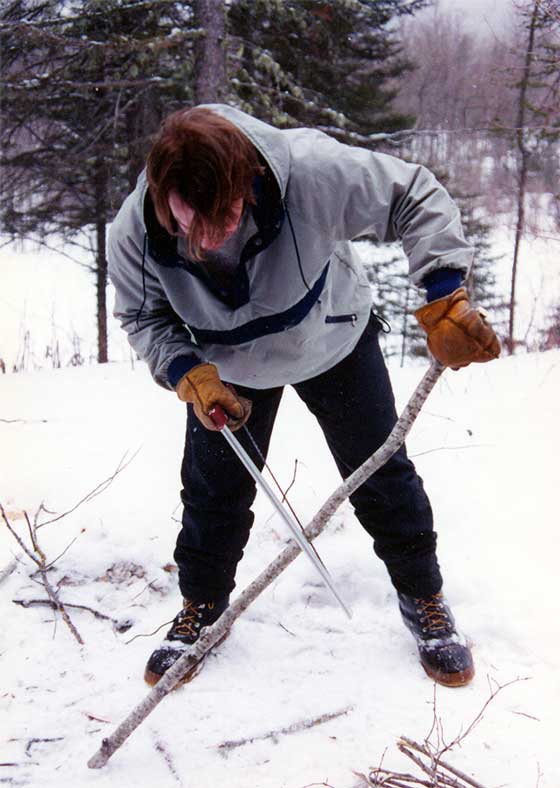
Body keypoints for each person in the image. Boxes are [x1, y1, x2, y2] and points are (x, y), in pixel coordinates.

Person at [108, 105, 500, 689]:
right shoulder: (133, 233)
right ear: (164, 195)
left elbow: (413, 193)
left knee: (379, 472)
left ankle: (424, 596)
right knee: (213, 491)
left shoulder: (312, 172)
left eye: (229, 214)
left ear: (250, 180)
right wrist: (187, 371)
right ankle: (202, 608)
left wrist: (444, 292)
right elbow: (143, 316)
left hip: (332, 335)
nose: (212, 237)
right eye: (193, 222)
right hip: (227, 368)